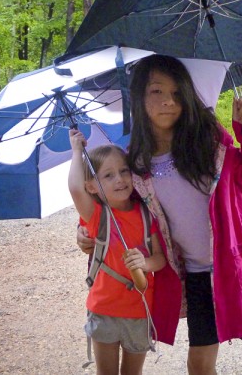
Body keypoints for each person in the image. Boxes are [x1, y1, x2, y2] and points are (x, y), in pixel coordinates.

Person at [77, 54, 242, 375]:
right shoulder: (136, 164)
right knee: (200, 363)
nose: (169, 102)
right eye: (157, 92)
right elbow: (120, 207)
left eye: (177, 93)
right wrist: (86, 230)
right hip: (197, 275)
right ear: (138, 97)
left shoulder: (209, 139)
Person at [68, 136, 167, 375]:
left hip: (139, 310)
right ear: (91, 186)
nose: (120, 179)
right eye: (108, 175)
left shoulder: (146, 214)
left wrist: (144, 262)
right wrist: (76, 152)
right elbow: (74, 188)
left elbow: (160, 258)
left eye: (124, 171)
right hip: (104, 310)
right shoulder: (96, 216)